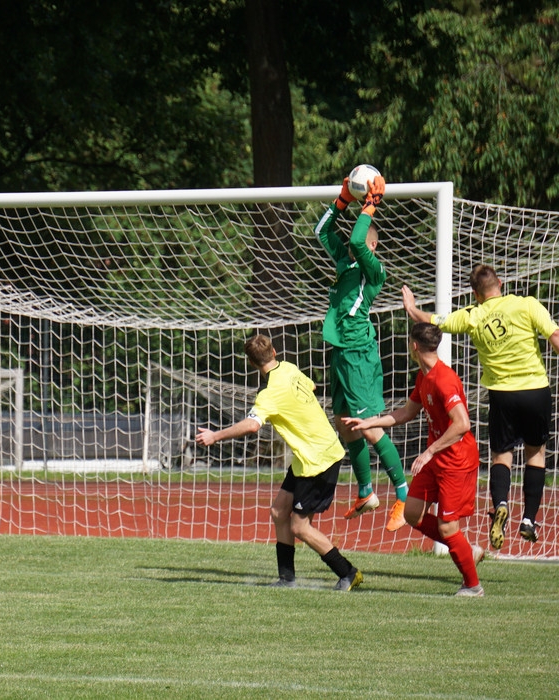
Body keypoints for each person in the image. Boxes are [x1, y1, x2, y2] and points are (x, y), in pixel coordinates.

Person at [403, 264, 559, 548]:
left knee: (502, 455)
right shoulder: (526, 305)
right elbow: (555, 338)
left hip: (502, 394)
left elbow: (436, 321)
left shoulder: (473, 316)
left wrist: (412, 309)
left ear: (475, 294)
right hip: (536, 390)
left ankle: (500, 504)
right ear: (500, 283)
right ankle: (528, 519)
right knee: (535, 454)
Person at [196, 334, 362, 591]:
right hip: (308, 456)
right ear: (274, 352)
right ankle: (286, 579)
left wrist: (214, 436)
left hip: (319, 459)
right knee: (278, 511)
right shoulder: (289, 368)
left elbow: (252, 425)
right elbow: (312, 387)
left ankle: (348, 572)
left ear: (251, 364)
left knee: (299, 526)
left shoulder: (269, 393)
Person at [344, 323, 485, 595]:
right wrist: (368, 423)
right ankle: (467, 550)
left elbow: (462, 424)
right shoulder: (424, 376)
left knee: (446, 527)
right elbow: (405, 413)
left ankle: (473, 585)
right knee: (411, 513)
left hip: (456, 462)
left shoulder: (444, 379)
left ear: (414, 346)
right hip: (436, 460)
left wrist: (430, 451)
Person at [315, 174, 410, 531]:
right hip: (340, 353)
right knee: (345, 424)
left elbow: (356, 237)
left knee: (369, 427)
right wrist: (342, 200)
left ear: (371, 246)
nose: (354, 244)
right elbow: (321, 232)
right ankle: (366, 491)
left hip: (358, 354)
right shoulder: (346, 262)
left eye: (362, 242)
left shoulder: (373, 269)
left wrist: (370, 204)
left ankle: (402, 492)